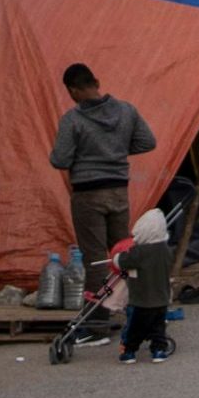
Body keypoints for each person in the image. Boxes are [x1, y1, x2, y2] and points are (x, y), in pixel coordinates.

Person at [48, 63, 155, 316]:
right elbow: (148, 141)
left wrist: (88, 155)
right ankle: (140, 309)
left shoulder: (72, 120)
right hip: (118, 191)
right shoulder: (127, 111)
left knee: (96, 259)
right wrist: (115, 152)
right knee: (125, 252)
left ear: (73, 91)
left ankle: (98, 320)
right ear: (96, 82)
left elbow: (59, 160)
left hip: (88, 195)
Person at [116, 209, 176, 364]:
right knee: (158, 328)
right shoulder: (166, 250)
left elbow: (122, 261)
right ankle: (158, 350)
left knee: (135, 328)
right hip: (162, 298)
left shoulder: (139, 252)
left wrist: (116, 257)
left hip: (142, 299)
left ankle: (129, 351)